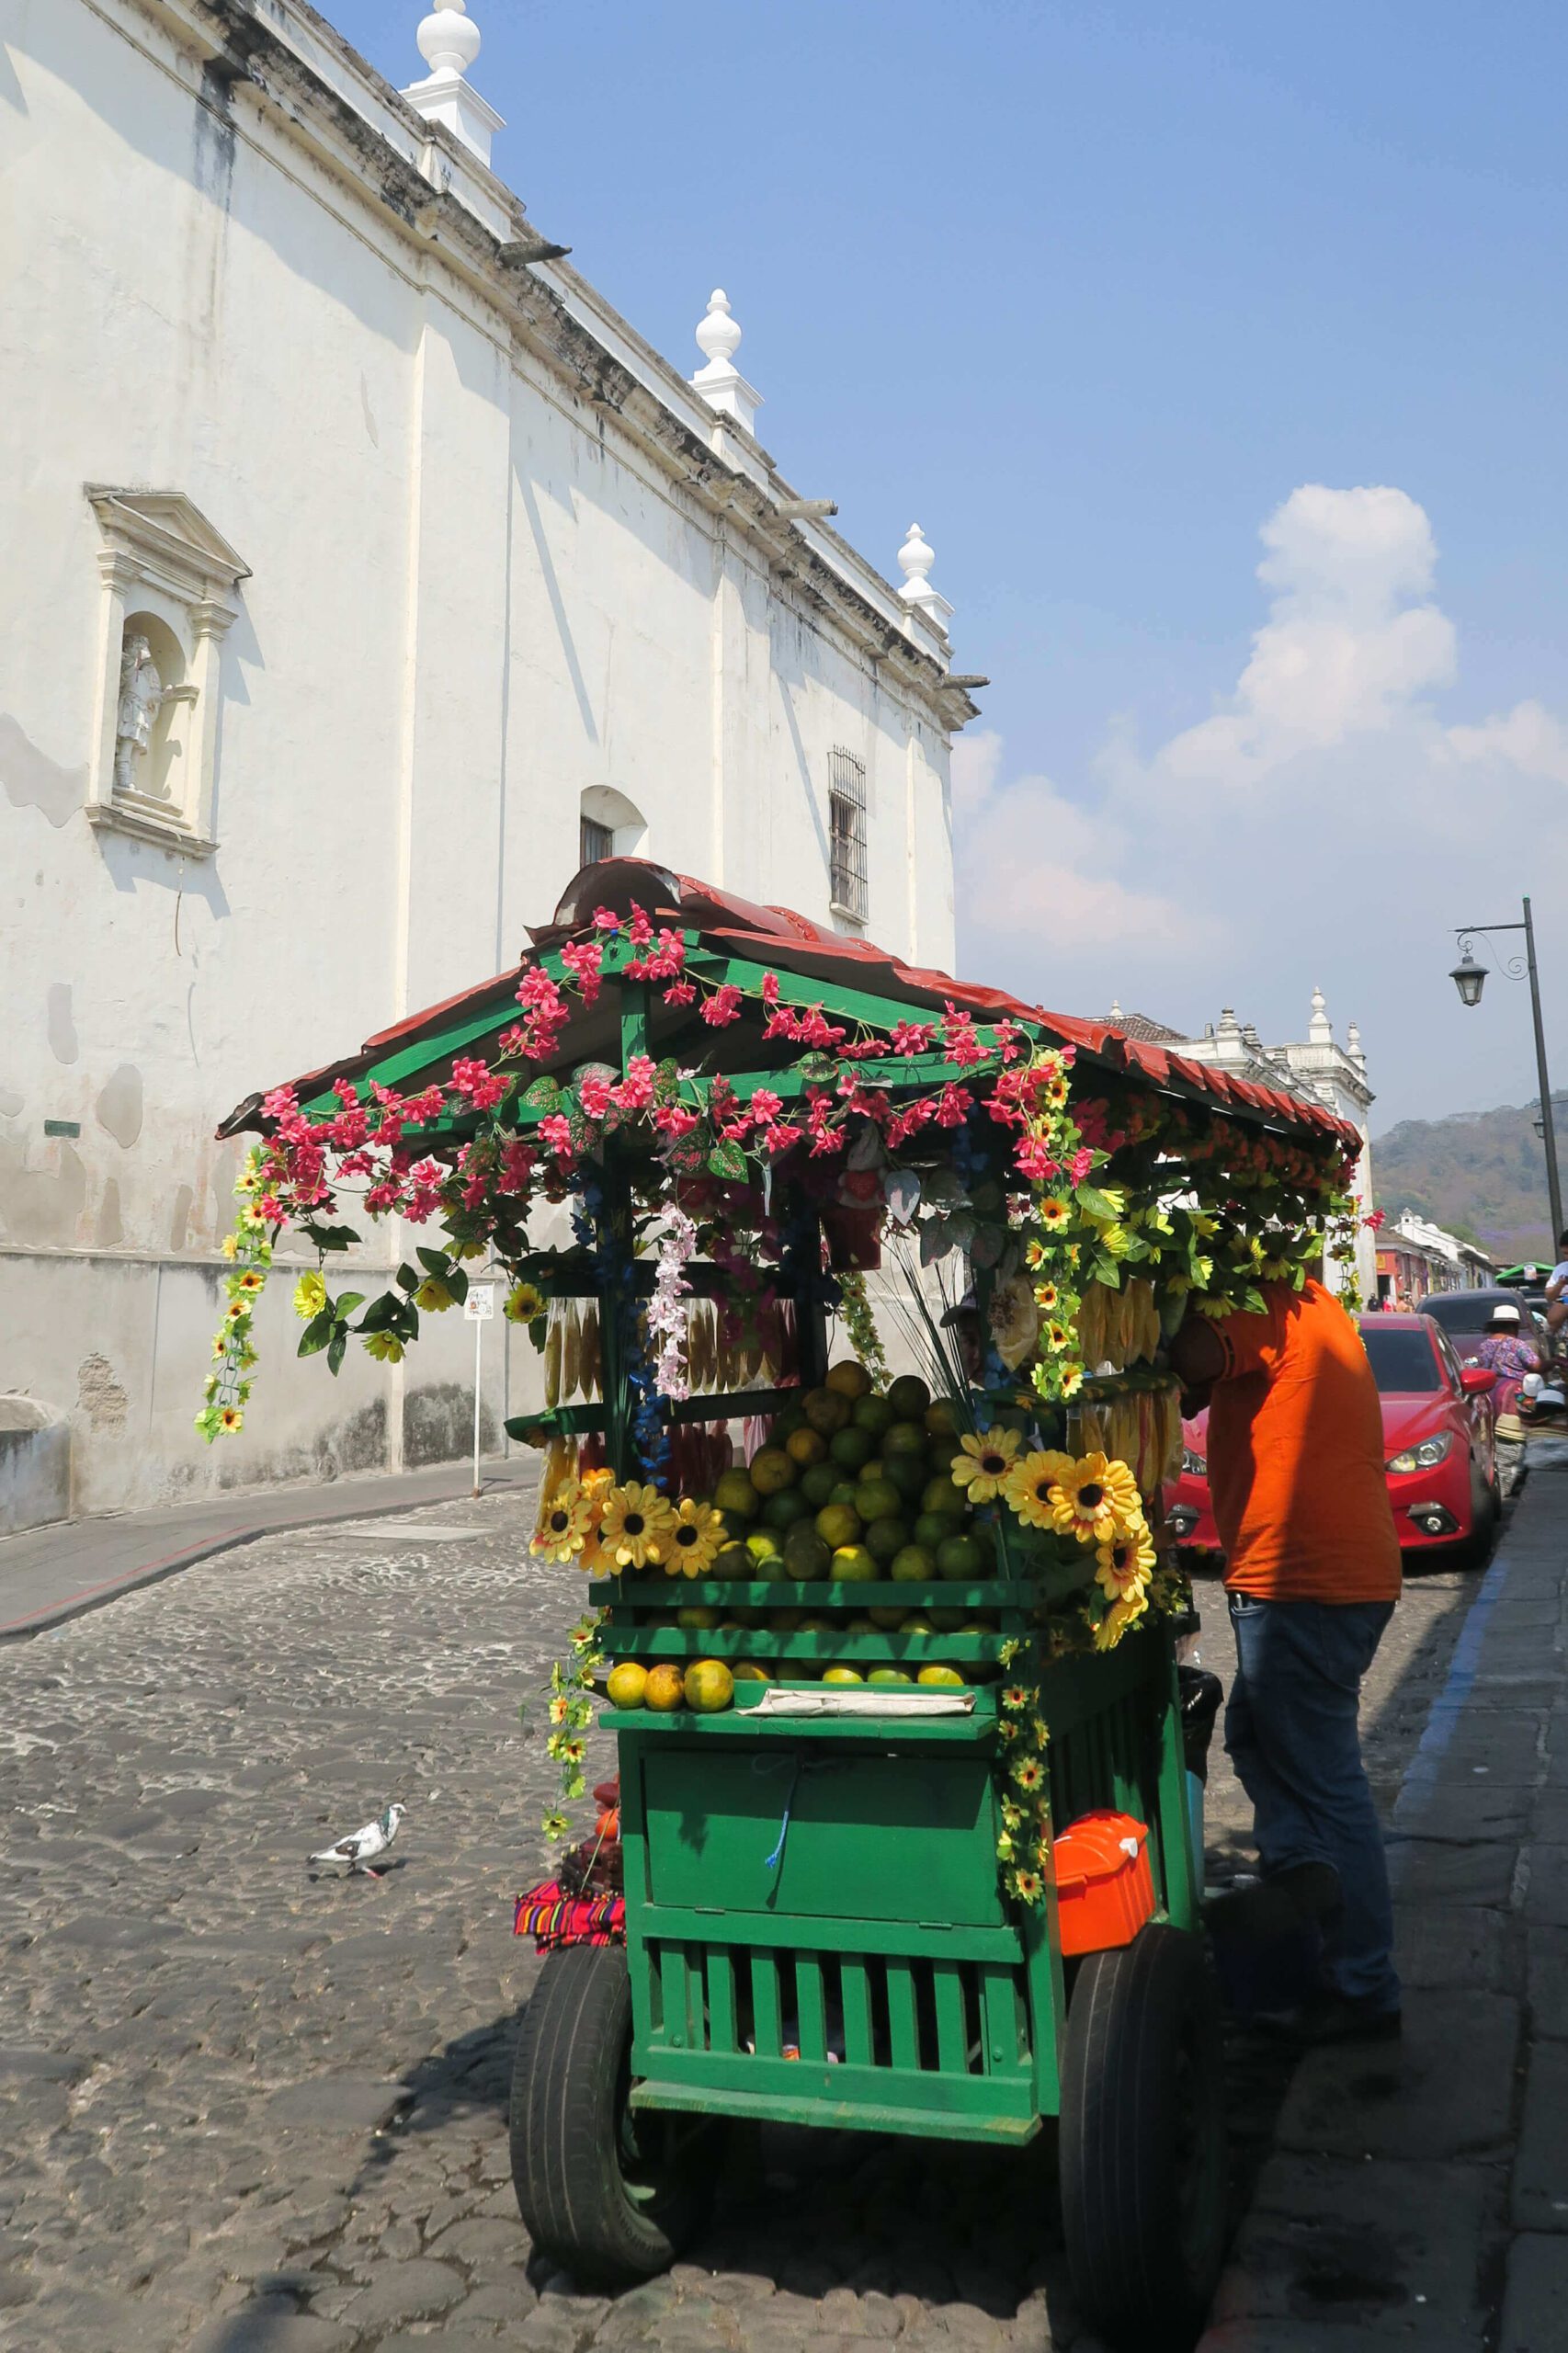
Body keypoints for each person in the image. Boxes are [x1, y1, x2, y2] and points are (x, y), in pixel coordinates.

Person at [1171, 1273, 1403, 2043]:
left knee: (1324, 1780)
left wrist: (1150, 1311)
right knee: (1261, 1740)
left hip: (1303, 1579)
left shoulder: (1264, 1299)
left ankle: (1361, 1982)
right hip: (1326, 1577)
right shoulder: (1313, 1307)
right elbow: (1208, 1381)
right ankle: (1308, 1898)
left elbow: (1189, 1352)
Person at [1472, 1301, 1540, 1495]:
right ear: (1513, 1326)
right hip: (1512, 1392)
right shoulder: (1517, 1344)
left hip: (1489, 1391)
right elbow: (1535, 1366)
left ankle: (1498, 1470)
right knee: (1517, 1430)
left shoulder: (1485, 1345)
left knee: (1493, 1433)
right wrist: (1552, 1362)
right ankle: (1513, 1470)